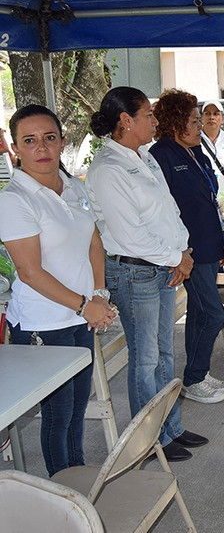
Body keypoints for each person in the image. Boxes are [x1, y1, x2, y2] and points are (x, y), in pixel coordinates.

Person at [86, 86, 207, 462]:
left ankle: (170, 426)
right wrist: (177, 258)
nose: (155, 122)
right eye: (148, 115)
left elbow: (168, 211)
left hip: (164, 267)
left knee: (164, 354)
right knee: (145, 360)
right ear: (126, 120)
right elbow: (129, 236)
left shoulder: (142, 157)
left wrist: (183, 252)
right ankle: (146, 439)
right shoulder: (108, 169)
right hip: (136, 272)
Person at [0, 105, 115, 476]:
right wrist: (85, 306)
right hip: (44, 323)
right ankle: (62, 488)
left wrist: (100, 294)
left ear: (62, 141)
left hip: (82, 315)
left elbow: (94, 241)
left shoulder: (73, 186)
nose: (41, 147)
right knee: (58, 413)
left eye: (49, 138)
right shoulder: (14, 199)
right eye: (29, 141)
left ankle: (76, 476)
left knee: (78, 405)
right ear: (16, 149)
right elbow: (30, 272)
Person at [149, 89, 224, 404]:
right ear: (174, 124)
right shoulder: (161, 155)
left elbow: (211, 201)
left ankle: (197, 375)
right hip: (188, 251)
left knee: (200, 312)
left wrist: (222, 242)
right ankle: (194, 378)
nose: (201, 126)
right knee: (213, 314)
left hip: (209, 245)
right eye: (194, 121)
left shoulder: (195, 151)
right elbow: (164, 209)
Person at [199, 100, 224, 193]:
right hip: (201, 191)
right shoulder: (194, 139)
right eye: (207, 114)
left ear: (222, 119)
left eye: (216, 114)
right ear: (202, 118)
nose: (211, 117)